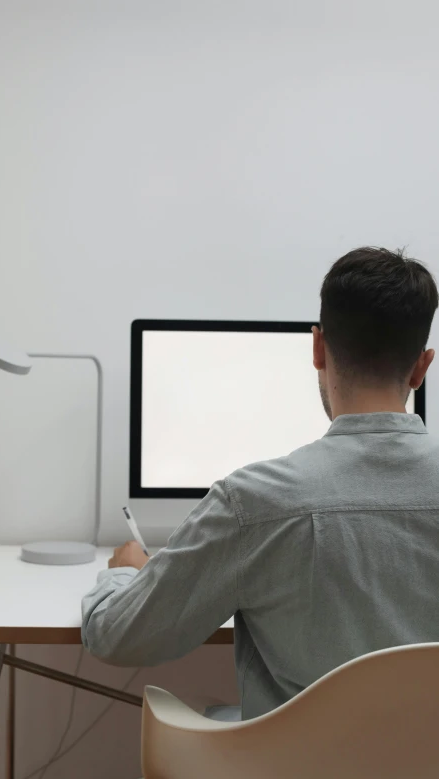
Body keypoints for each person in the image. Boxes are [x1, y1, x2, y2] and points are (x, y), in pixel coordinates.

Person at [82, 247, 439, 721]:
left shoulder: (252, 505)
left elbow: (115, 636)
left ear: (316, 348)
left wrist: (126, 572)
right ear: (422, 366)